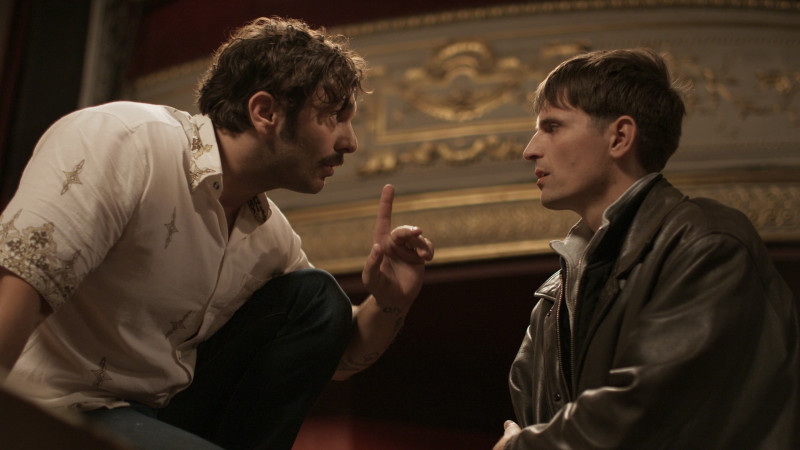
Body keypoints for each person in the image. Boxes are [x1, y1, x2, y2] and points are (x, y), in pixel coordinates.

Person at [0, 16, 433, 450]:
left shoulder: (269, 234)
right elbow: (22, 279)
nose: (350, 142)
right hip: (57, 409)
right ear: (265, 112)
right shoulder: (127, 141)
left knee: (319, 299)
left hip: (155, 412)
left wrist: (391, 301)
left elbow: (338, 353)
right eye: (334, 116)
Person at [494, 48, 798, 449]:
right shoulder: (554, 297)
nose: (530, 149)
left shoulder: (706, 243)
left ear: (620, 137)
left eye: (552, 126)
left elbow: (646, 412)